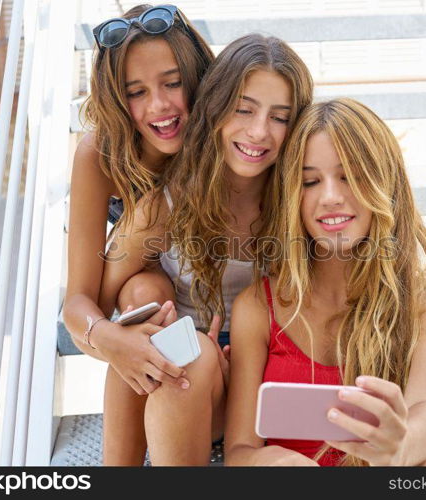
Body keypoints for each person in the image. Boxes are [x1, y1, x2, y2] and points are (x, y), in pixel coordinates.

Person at [97, 33, 313, 465]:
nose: (258, 131)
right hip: (185, 375)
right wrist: (135, 333)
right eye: (244, 109)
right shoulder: (165, 203)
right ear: (215, 108)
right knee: (145, 301)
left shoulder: (299, 200)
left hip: (263, 376)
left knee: (193, 357)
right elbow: (101, 309)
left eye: (279, 117)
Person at [224, 98, 426, 466]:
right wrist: (269, 462)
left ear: (385, 184)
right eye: (310, 181)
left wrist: (397, 447)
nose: (331, 197)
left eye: (350, 176)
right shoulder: (257, 307)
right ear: (292, 196)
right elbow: (240, 451)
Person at [60, 4, 213, 465]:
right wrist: (107, 337)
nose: (159, 106)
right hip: (158, 325)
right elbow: (81, 302)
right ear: (114, 99)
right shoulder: (101, 155)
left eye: (172, 83)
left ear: (199, 78)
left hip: (234, 331)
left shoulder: (232, 139)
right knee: (144, 289)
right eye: (136, 92)